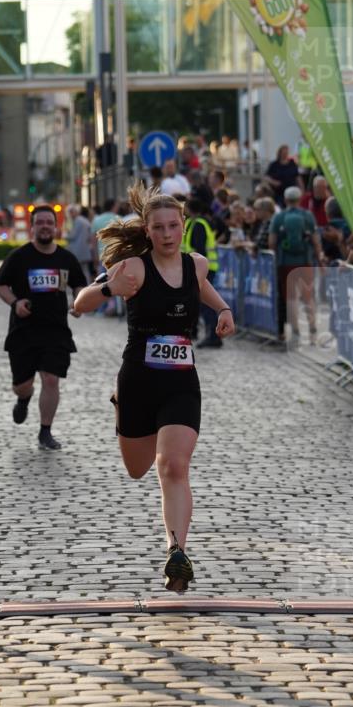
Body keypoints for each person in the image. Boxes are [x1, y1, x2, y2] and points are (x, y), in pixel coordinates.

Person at [73, 183, 235, 593]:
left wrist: (224, 309)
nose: (167, 234)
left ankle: (176, 551)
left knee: (173, 466)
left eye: (173, 226)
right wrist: (110, 289)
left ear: (184, 226)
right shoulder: (132, 268)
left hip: (182, 381)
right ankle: (120, 410)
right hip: (138, 381)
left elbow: (203, 289)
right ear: (147, 230)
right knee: (137, 468)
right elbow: (79, 303)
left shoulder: (195, 264)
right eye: (159, 227)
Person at [0, 205, 87, 449]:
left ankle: (45, 431)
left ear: (56, 227)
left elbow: (79, 286)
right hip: (23, 331)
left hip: (56, 330)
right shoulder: (19, 256)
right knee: (22, 385)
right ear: (32, 227)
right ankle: (23, 399)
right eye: (40, 222)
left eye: (49, 222)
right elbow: (0, 285)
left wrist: (79, 303)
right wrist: (15, 303)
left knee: (51, 379)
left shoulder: (66, 258)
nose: (45, 226)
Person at [269, 186, 324, 345]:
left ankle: (296, 332)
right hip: (305, 261)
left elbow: (272, 242)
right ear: (299, 199)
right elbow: (315, 240)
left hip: (285, 263)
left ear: (286, 200)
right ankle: (313, 330)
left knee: (290, 298)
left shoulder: (279, 217)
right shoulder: (307, 216)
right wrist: (319, 258)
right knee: (308, 296)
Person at [181, 196, 220, 348]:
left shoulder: (200, 225)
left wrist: (196, 270)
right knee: (195, 303)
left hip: (204, 270)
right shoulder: (192, 223)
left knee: (205, 304)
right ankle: (194, 331)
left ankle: (213, 336)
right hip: (193, 268)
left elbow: (200, 250)